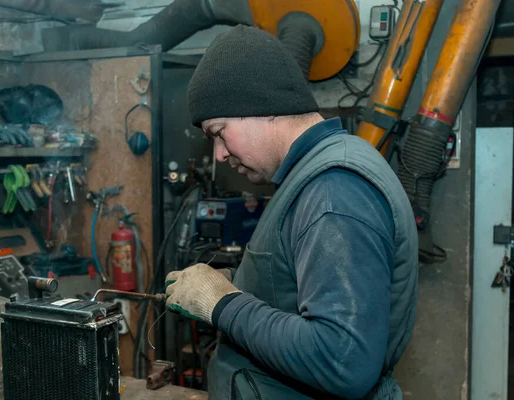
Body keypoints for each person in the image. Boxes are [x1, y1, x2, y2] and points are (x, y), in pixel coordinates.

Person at [165, 25, 418, 400]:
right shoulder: (316, 174)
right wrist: (241, 282)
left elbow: (341, 361)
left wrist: (222, 304)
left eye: (219, 132)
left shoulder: (334, 189)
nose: (219, 154)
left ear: (261, 107)